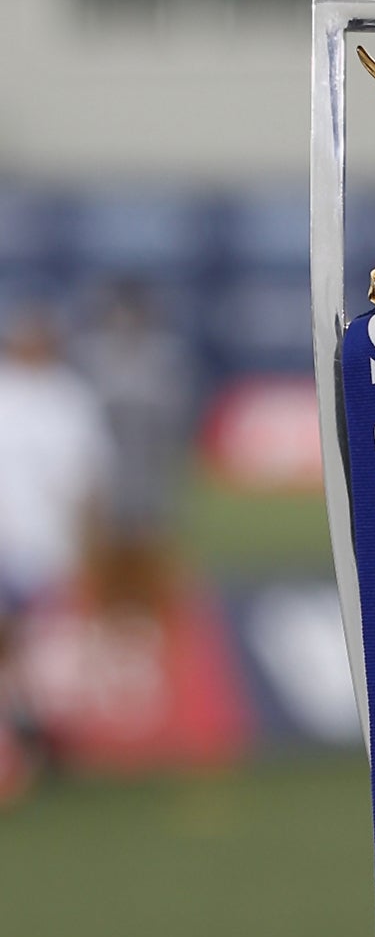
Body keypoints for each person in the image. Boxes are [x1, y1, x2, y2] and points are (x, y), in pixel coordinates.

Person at [0, 308, 114, 802]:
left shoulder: (70, 398)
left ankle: (34, 742)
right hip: (10, 548)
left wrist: (89, 553)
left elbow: (90, 484)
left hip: (48, 551)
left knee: (33, 653)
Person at [75, 283, 197, 604]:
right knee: (101, 576)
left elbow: (176, 426)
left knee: (150, 574)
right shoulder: (89, 357)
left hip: (150, 480)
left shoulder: (166, 358)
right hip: (103, 484)